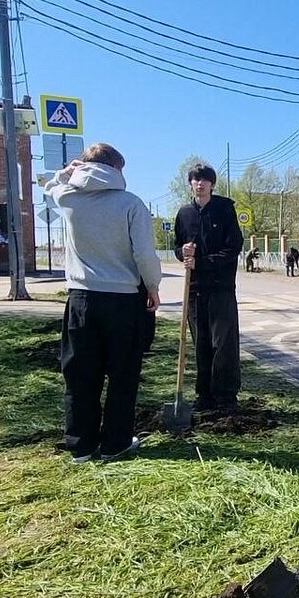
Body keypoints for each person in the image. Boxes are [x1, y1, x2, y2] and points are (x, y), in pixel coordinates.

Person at [45, 143, 161, 464]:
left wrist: (67, 173)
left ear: (85, 166)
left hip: (81, 299)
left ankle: (81, 446)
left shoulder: (68, 199)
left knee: (81, 374)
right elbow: (144, 255)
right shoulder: (131, 204)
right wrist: (152, 286)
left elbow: (50, 187)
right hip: (124, 300)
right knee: (123, 375)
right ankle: (115, 444)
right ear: (116, 169)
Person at [173, 164, 245, 417]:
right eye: (195, 179)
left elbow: (233, 246)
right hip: (194, 290)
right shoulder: (183, 214)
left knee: (223, 343)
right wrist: (183, 252)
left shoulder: (224, 210)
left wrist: (202, 262)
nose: (200, 184)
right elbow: (177, 247)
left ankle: (226, 395)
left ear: (212, 184)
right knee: (200, 342)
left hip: (220, 288)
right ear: (190, 184)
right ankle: (204, 395)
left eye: (205, 180)